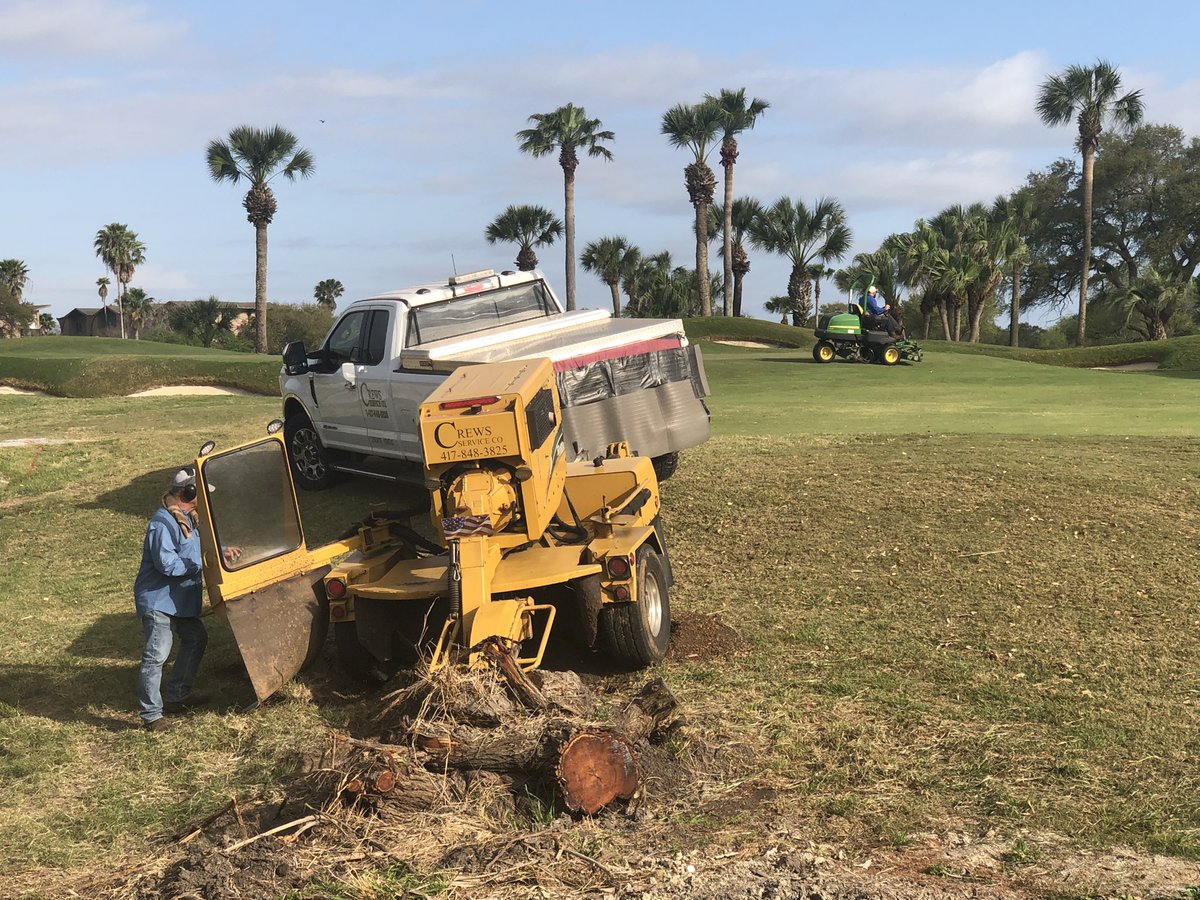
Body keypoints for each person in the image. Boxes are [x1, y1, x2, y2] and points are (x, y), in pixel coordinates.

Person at [134, 468, 210, 731]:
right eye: (200, 493)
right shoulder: (162, 523)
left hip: (178, 600)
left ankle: (178, 694)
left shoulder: (189, 520)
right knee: (157, 654)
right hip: (159, 601)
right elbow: (167, 563)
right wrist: (198, 565)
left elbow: (197, 549)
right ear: (188, 492)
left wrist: (222, 553)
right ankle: (152, 715)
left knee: (196, 638)